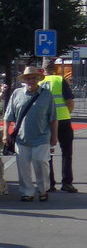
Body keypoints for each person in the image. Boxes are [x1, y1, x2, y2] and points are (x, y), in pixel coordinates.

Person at [3, 65, 58, 202]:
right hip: (22, 137)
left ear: (38, 79)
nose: (31, 81)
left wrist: (54, 137)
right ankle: (27, 192)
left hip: (42, 136)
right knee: (23, 167)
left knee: (41, 162)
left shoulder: (46, 95)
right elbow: (8, 116)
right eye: (28, 78)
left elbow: (53, 118)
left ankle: (43, 189)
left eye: (34, 78)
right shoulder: (17, 93)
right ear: (25, 80)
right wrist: (5, 134)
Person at [41, 60, 76, 192]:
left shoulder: (39, 83)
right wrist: (68, 112)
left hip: (45, 122)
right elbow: (69, 101)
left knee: (47, 153)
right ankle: (67, 183)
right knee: (66, 152)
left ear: (43, 69)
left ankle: (49, 183)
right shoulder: (60, 80)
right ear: (55, 68)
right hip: (63, 120)